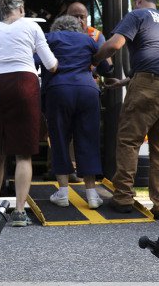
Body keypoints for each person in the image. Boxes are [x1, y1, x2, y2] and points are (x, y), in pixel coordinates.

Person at [92, 0, 159, 219]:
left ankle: (123, 197)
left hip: (147, 87)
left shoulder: (137, 14)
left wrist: (94, 61)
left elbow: (114, 45)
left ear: (139, 0)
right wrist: (122, 82)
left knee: (129, 140)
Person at [0, 0, 58, 227]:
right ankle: (18, 211)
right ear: (21, 8)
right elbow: (50, 64)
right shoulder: (30, 26)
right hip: (23, 83)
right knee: (23, 152)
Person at [41, 15, 113, 209]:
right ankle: (91, 195)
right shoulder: (88, 40)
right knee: (88, 139)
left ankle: (63, 192)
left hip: (58, 91)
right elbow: (105, 67)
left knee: (59, 139)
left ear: (57, 27)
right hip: (87, 91)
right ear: (78, 28)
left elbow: (36, 61)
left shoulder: (50, 38)